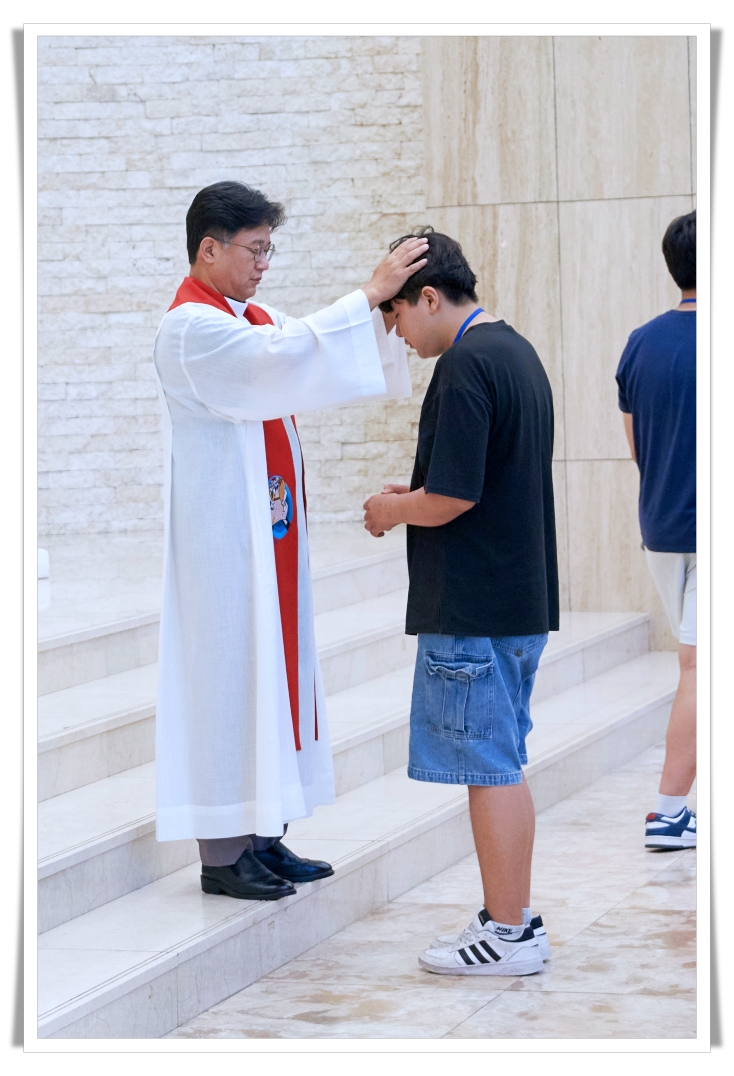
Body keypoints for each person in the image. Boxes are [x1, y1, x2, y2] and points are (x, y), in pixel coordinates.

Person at [153, 181, 427, 900]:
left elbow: (305, 349)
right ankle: (222, 854)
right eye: (254, 249)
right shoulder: (190, 327)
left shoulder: (250, 317)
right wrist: (369, 294)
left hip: (264, 536)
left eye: (269, 249)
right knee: (231, 683)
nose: (264, 264)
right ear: (208, 249)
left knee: (271, 678)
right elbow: (282, 354)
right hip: (224, 547)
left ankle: (263, 836)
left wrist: (383, 310)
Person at [363, 227, 558, 975]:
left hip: (475, 607)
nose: (398, 335)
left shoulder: (465, 364)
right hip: (515, 599)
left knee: (490, 768)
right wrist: (414, 494)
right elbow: (476, 481)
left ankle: (509, 933)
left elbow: (450, 498)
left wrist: (392, 510)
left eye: (395, 316)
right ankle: (512, 918)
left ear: (428, 297)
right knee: (500, 762)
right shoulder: (515, 351)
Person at [615, 209, 697, 851]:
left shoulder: (640, 343)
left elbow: (638, 447)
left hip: (663, 528)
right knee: (702, 668)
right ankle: (669, 811)